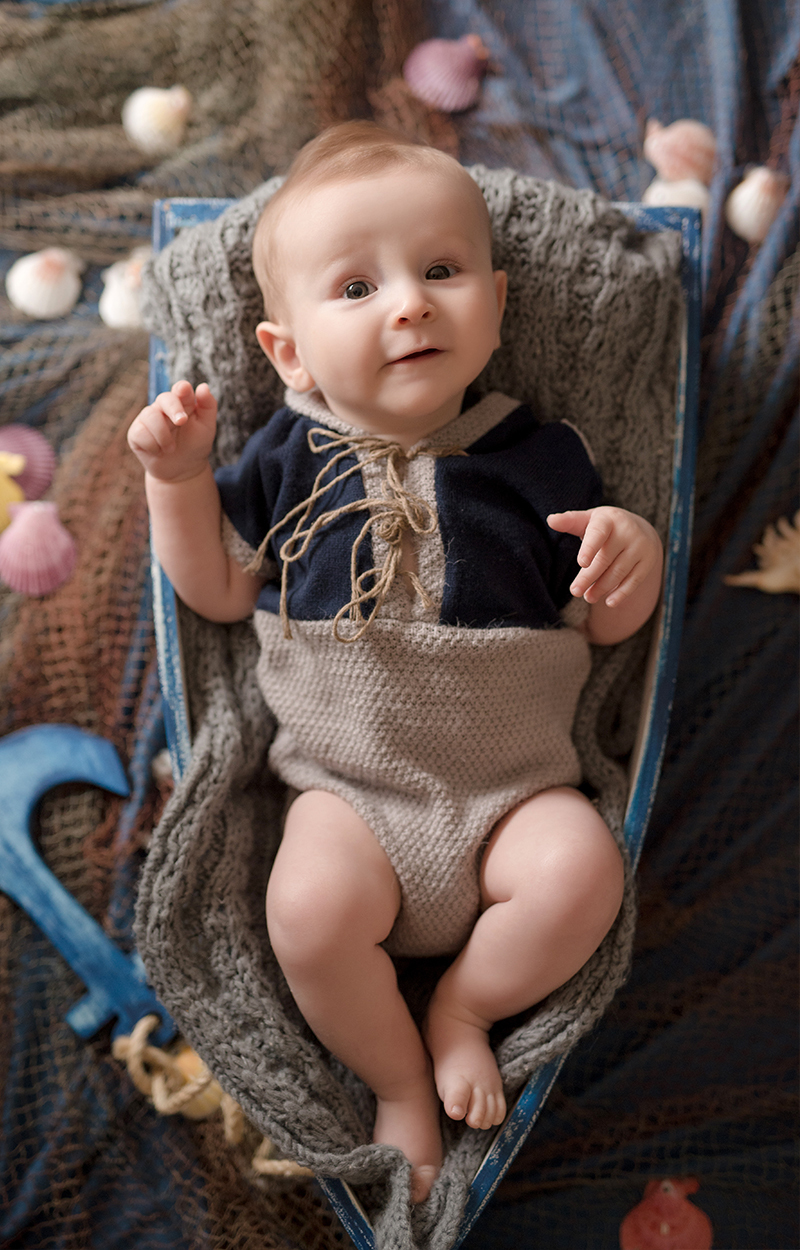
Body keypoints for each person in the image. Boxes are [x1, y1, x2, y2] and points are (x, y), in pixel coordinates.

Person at [128, 121, 663, 1203]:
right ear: (286, 352)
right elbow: (220, 593)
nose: (409, 304)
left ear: (497, 303)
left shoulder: (537, 452)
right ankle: (397, 1080)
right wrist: (177, 482)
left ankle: (460, 1006)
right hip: (348, 793)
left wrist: (631, 554)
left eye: (439, 271)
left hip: (512, 793)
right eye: (357, 287)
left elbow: (608, 631)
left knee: (582, 874)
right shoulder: (282, 457)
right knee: (307, 914)